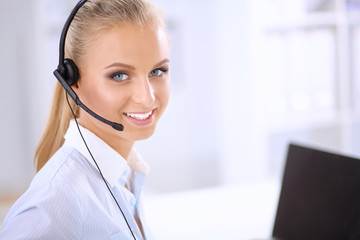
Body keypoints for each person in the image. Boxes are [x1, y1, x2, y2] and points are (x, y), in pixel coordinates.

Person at [0, 0, 170, 239]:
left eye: (157, 71)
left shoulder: (127, 175)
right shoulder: (52, 205)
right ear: (73, 81)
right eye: (119, 75)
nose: (147, 97)